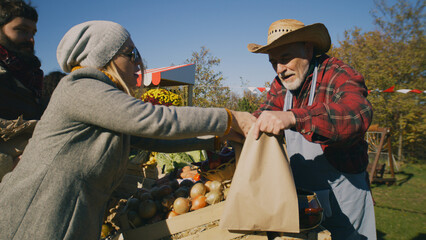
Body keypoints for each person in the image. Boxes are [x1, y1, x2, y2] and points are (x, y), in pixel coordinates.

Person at [0, 20, 255, 240]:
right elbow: (152, 119)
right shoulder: (80, 88)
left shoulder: (105, 102)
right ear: (104, 57)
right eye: (131, 53)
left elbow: (154, 137)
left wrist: (215, 139)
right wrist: (228, 118)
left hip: (65, 220)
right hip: (33, 220)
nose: (139, 62)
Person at [249, 19, 376, 239]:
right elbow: (263, 115)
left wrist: (293, 117)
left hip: (344, 194)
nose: (280, 69)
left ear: (308, 49)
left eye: (286, 58)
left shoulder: (338, 73)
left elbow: (356, 115)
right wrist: (236, 125)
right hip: (302, 196)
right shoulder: (281, 85)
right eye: (273, 62)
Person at [0, 0, 43, 180]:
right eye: (21, 30)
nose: (30, 39)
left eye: (33, 32)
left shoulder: (30, 78)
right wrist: (9, 165)